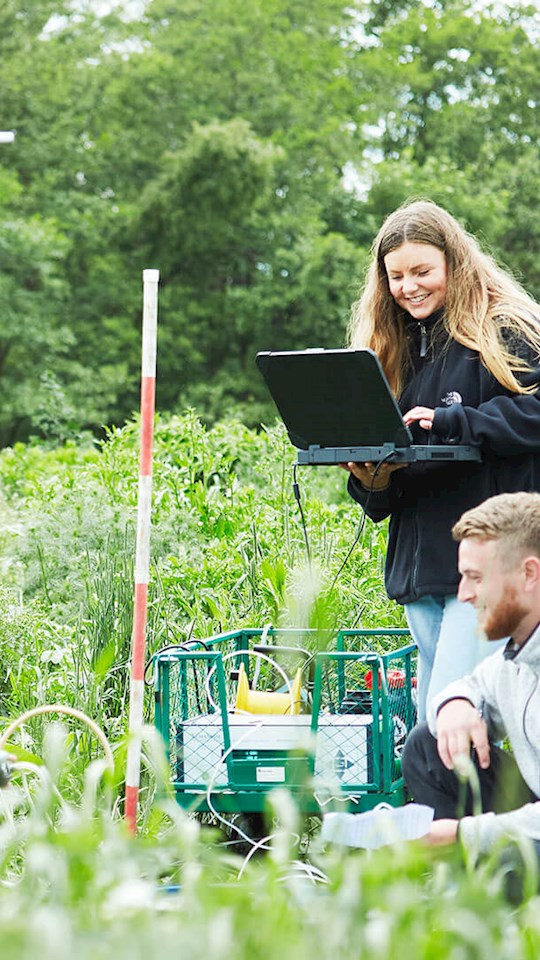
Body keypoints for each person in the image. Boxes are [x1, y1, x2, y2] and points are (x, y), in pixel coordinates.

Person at [342, 198, 540, 721]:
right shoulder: (391, 348)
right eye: (396, 275)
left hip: (482, 572)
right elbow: (390, 493)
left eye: (423, 270)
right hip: (418, 575)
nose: (409, 286)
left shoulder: (504, 328)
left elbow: (532, 413)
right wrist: (373, 479)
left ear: (455, 260)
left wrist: (458, 421)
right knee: (439, 733)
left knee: (444, 730)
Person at [401, 491, 540, 875]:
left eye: (475, 578)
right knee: (429, 746)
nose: (463, 595)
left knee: (510, 852)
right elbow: (474, 683)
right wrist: (455, 704)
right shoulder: (520, 651)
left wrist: (460, 834)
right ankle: (465, 894)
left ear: (529, 573)